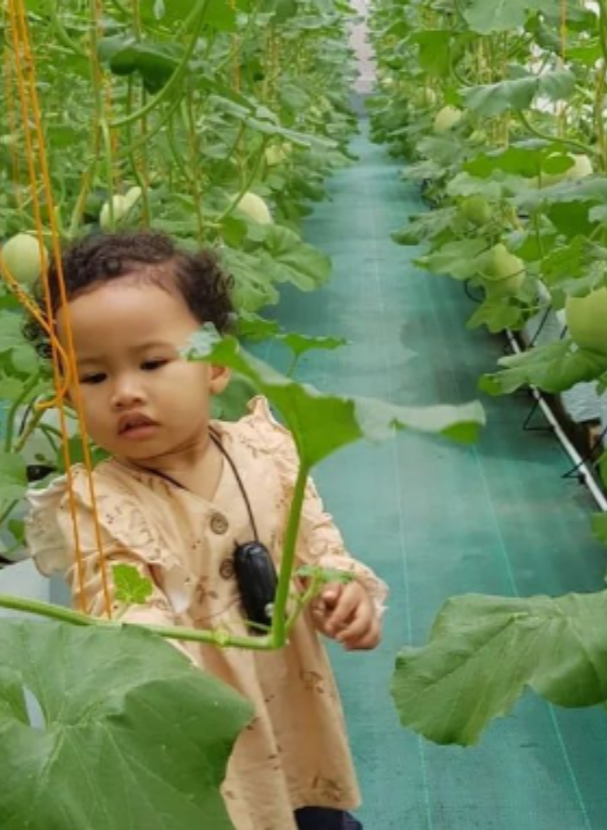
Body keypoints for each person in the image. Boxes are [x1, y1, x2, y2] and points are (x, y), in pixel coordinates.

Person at [24, 230, 388, 830]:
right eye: (91, 378)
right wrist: (160, 652)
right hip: (195, 737)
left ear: (216, 365)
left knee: (314, 811)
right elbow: (119, 608)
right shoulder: (97, 504)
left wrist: (345, 590)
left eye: (152, 363)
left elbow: (318, 547)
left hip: (293, 711)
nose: (125, 393)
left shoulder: (269, 452)